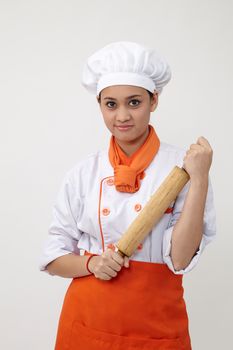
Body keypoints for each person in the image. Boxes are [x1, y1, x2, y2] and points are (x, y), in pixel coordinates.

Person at [39, 41, 216, 350]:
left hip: (157, 327)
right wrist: (92, 264)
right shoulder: (83, 174)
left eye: (134, 103)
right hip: (88, 321)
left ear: (154, 100)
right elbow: (54, 257)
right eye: (111, 104)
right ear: (99, 104)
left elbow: (180, 258)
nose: (122, 116)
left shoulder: (183, 170)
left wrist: (199, 178)